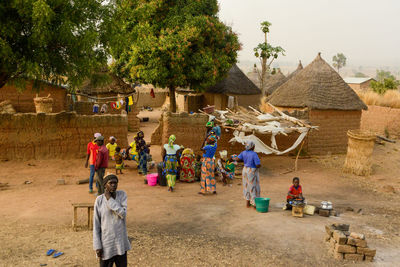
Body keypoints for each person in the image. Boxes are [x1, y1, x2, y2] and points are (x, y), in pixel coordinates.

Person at [93, 174, 131, 267]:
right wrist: (97, 246)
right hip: (107, 243)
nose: (113, 185)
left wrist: (109, 199)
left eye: (115, 183)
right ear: (105, 185)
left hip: (120, 243)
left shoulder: (122, 195)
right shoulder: (99, 200)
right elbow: (96, 225)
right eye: (111, 183)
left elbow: (122, 214)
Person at [235, 141, 261, 208]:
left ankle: (247, 203)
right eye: (254, 146)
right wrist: (259, 166)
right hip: (252, 171)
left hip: (245, 169)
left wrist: (244, 160)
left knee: (246, 185)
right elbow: (257, 164)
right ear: (252, 147)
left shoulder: (243, 152)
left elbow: (237, 159)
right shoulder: (254, 154)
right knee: (253, 186)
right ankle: (255, 204)